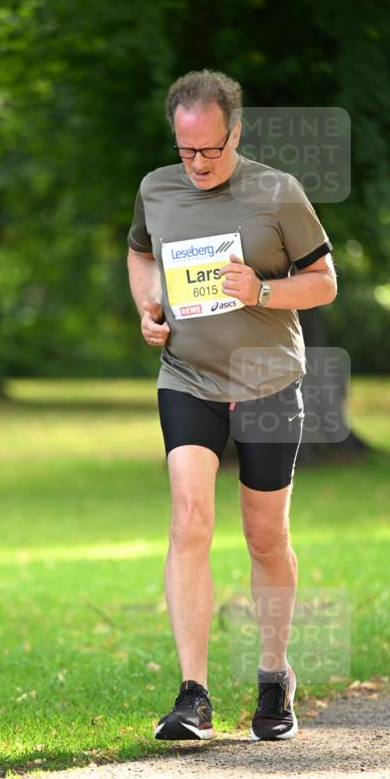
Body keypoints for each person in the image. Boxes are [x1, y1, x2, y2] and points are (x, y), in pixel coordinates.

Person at [126, 69, 336, 742]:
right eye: (186, 150)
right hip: (187, 376)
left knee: (263, 536)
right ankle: (192, 695)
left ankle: (274, 677)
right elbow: (137, 253)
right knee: (188, 520)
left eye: (210, 150)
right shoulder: (156, 189)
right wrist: (148, 310)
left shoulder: (278, 192)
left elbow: (324, 283)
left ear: (234, 134)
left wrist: (262, 291)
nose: (197, 164)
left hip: (267, 381)